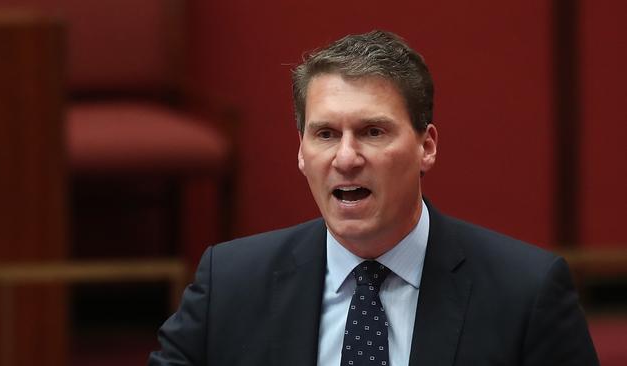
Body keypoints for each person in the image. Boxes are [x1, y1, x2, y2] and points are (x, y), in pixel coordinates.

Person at [148, 30, 598, 366]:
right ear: (301, 152)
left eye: (373, 132)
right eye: (325, 134)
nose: (346, 157)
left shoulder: (526, 292)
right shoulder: (230, 283)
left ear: (427, 146)